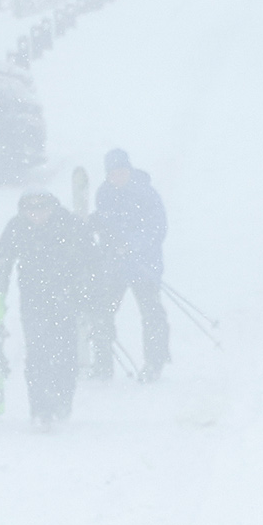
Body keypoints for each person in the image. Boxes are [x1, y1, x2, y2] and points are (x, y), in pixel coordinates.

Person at [0, 186, 97, 430]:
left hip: (66, 299)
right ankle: (40, 409)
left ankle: (62, 401)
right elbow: (3, 261)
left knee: (65, 353)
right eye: (30, 208)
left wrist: (87, 292)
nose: (36, 213)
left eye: (42, 207)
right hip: (33, 300)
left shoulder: (69, 224)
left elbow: (91, 258)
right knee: (38, 354)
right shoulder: (17, 227)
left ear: (52, 206)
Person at [91, 149, 171, 379]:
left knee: (151, 313)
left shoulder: (146, 193)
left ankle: (154, 364)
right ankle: (103, 364)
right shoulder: (104, 193)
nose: (118, 177)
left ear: (129, 170)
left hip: (143, 266)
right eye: (113, 173)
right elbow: (105, 221)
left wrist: (130, 244)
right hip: (114, 266)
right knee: (101, 311)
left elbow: (157, 228)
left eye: (122, 172)